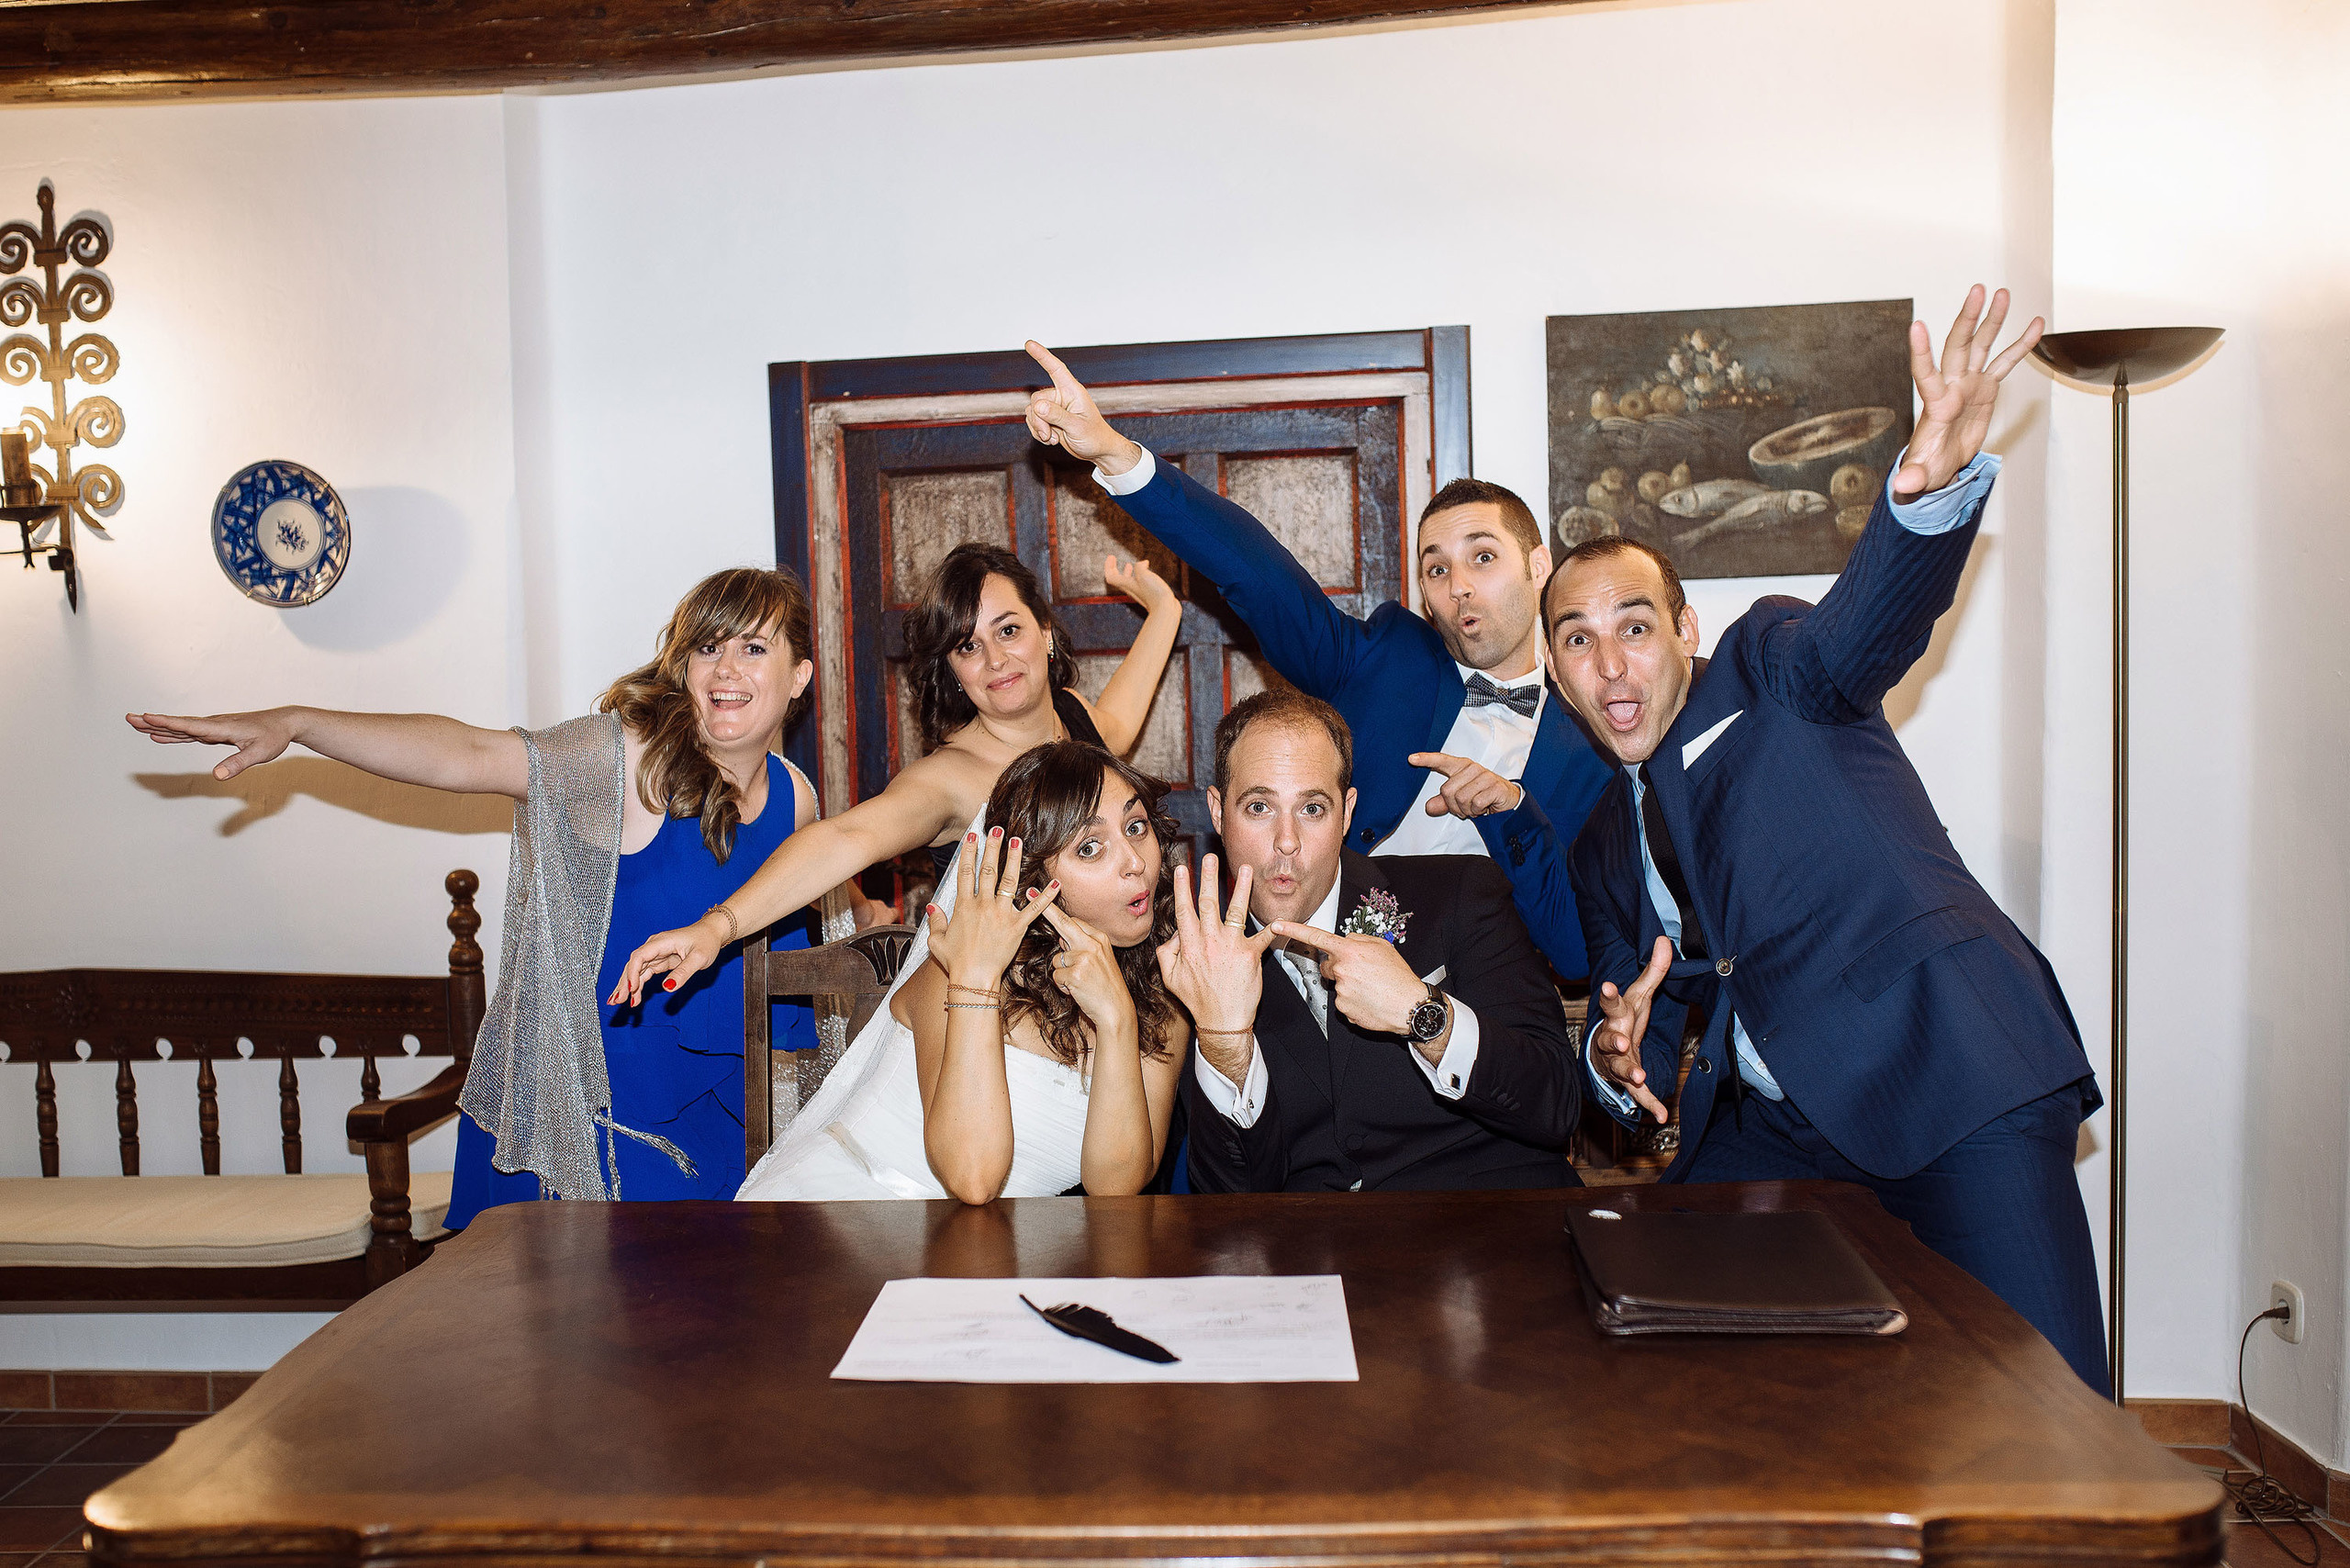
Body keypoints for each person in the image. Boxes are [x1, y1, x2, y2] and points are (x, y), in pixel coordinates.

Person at [1543, 286, 2108, 1392]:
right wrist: (1618, 1066)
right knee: (1700, 1377)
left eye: (1634, 627)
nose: (1610, 663)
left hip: (1946, 1074)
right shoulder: (1599, 842)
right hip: (1771, 1132)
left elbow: (1866, 629)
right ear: (1555, 670)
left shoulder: (1768, 668)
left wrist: (1924, 490)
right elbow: (1646, 1028)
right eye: (1577, 640)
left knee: (2052, 1419)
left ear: (1685, 631)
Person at [127, 567, 833, 1216]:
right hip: (604, 1129)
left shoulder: (796, 797)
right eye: (708, 649)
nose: (727, 670)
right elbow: (468, 753)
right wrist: (299, 724)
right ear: (682, 668)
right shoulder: (624, 760)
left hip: (733, 1126)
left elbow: (803, 922)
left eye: (753, 648)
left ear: (799, 676)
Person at [1020, 342, 1613, 980]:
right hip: (1320, 978)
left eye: (1483, 557)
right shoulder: (1387, 659)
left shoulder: (1596, 743)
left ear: (1538, 564)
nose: (1458, 584)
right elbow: (1253, 570)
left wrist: (1510, 812)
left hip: (1489, 1008)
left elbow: (1579, 954)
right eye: (1436, 567)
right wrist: (1115, 453)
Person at [610, 543, 1181, 1004]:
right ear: (954, 673)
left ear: (1046, 634)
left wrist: (1164, 610)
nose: (996, 660)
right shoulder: (948, 778)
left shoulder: (1075, 721)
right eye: (968, 646)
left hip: (1119, 992)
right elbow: (845, 837)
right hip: (1008, 1028)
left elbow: (1119, 722)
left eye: (1009, 631)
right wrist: (718, 928)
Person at [1154, 689, 1582, 1193]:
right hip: (1318, 1258)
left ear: (1347, 813)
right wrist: (1225, 1043)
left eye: (1312, 808)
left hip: (1493, 1231)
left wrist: (1427, 1017)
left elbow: (1557, 1105)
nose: (1286, 841)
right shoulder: (1197, 965)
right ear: (1219, 813)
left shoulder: (1460, 890)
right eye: (1259, 807)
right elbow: (1231, 1204)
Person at [736, 742, 1188, 1202]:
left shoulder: (1163, 995)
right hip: (843, 1210)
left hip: (998, 1254)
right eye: (1090, 848)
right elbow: (973, 1178)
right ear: (1029, 876)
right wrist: (976, 980)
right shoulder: (957, 968)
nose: (1136, 862)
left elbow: (1117, 1189)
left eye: (1136, 827)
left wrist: (1117, 1021)